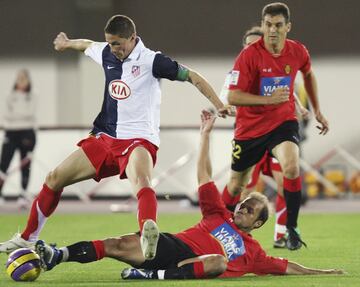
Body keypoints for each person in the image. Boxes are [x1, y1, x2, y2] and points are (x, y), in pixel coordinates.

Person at [0, 15, 227, 259]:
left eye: (118, 43)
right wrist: (67, 43)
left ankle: (147, 233)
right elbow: (88, 45)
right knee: (54, 178)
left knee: (141, 180)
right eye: (110, 43)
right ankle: (27, 239)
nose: (113, 49)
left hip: (139, 139)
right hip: (106, 137)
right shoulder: (106, 52)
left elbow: (192, 76)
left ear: (132, 38)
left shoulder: (153, 61)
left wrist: (219, 103)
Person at [33, 111, 343, 280]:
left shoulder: (254, 255)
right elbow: (204, 176)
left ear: (258, 224)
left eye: (248, 210)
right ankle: (57, 256)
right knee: (116, 243)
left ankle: (152, 277)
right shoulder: (218, 213)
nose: (241, 209)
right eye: (244, 204)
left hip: (198, 264)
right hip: (172, 246)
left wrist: (325, 272)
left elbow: (287, 266)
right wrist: (205, 136)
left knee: (218, 263)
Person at [223, 2, 329, 250]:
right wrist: (269, 100)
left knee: (291, 167)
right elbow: (233, 97)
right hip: (249, 130)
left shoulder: (297, 51)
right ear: (263, 25)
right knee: (237, 184)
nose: (272, 30)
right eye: (268, 24)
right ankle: (216, 224)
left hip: (282, 123)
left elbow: (309, 73)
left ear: (287, 27)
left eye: (278, 25)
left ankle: (290, 227)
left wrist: (317, 109)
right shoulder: (249, 55)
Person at [0, 69, 37, 208]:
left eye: (23, 79)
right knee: (3, 164)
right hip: (11, 132)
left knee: (25, 165)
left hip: (27, 133)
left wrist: (16, 113)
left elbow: (30, 113)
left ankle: (22, 195)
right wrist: (20, 115)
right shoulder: (9, 95)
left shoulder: (33, 95)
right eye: (19, 79)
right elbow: (6, 115)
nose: (21, 82)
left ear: (28, 80)